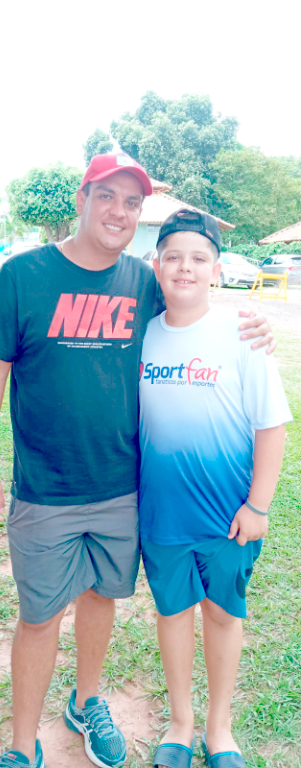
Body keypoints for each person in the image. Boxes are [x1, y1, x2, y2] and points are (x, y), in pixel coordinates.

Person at [0, 154, 274, 768]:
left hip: (121, 490)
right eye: (106, 195)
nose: (118, 211)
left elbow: (195, 316)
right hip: (45, 489)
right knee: (38, 615)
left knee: (101, 600)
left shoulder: (142, 280)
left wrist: (254, 323)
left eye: (131, 203)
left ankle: (86, 702)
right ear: (82, 197)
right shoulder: (23, 274)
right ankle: (21, 746)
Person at [138, 209, 292, 768]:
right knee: (174, 614)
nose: (185, 267)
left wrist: (258, 505)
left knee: (224, 614)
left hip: (229, 516)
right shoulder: (143, 337)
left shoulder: (241, 333)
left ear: (217, 271)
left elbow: (270, 424)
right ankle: (180, 723)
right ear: (157, 268)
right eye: (173, 257)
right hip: (161, 516)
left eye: (198, 258)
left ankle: (219, 730)